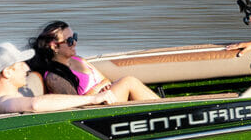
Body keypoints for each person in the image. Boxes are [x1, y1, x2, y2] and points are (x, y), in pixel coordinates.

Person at [30, 21, 161, 104]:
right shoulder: (54, 77)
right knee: (128, 81)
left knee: (128, 81)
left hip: (106, 98)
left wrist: (104, 86)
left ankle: (165, 108)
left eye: (74, 37)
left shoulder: (79, 60)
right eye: (69, 40)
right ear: (54, 46)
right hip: (93, 111)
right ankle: (167, 109)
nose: (74, 43)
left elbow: (105, 80)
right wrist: (98, 90)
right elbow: (74, 105)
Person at [0, 42, 114, 115]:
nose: (27, 68)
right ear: (7, 72)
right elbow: (34, 105)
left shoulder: (1, 98)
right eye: (20, 64)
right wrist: (93, 99)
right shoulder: (4, 102)